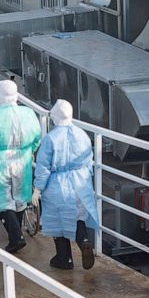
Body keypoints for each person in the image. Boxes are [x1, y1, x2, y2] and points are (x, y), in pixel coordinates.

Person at [0, 80, 41, 253]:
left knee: (2, 200)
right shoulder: (28, 113)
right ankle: (17, 230)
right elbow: (36, 136)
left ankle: (16, 236)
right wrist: (30, 151)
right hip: (23, 159)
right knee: (20, 197)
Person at [33, 100, 98, 271]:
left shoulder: (51, 138)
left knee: (58, 221)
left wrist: (38, 188)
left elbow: (43, 166)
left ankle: (64, 258)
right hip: (80, 183)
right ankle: (84, 241)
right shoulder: (82, 134)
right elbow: (88, 159)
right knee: (78, 217)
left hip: (58, 183)